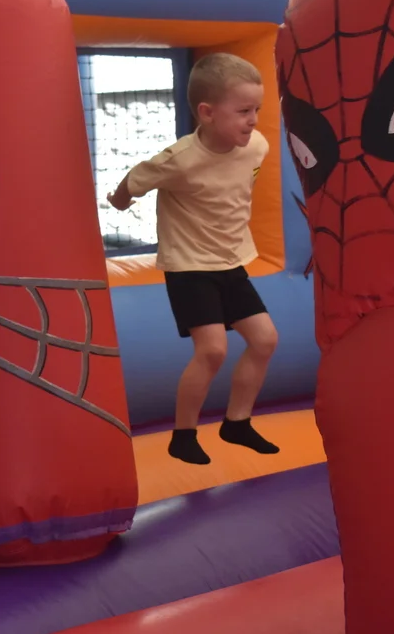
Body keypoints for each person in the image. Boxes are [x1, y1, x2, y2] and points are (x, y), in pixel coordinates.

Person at [106, 52, 280, 466]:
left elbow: (238, 186)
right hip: (189, 267)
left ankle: (237, 423)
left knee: (265, 340)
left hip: (230, 261)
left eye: (256, 110)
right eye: (243, 111)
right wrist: (119, 200)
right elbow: (135, 179)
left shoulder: (256, 146)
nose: (253, 120)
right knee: (213, 350)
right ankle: (183, 436)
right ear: (207, 113)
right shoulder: (180, 160)